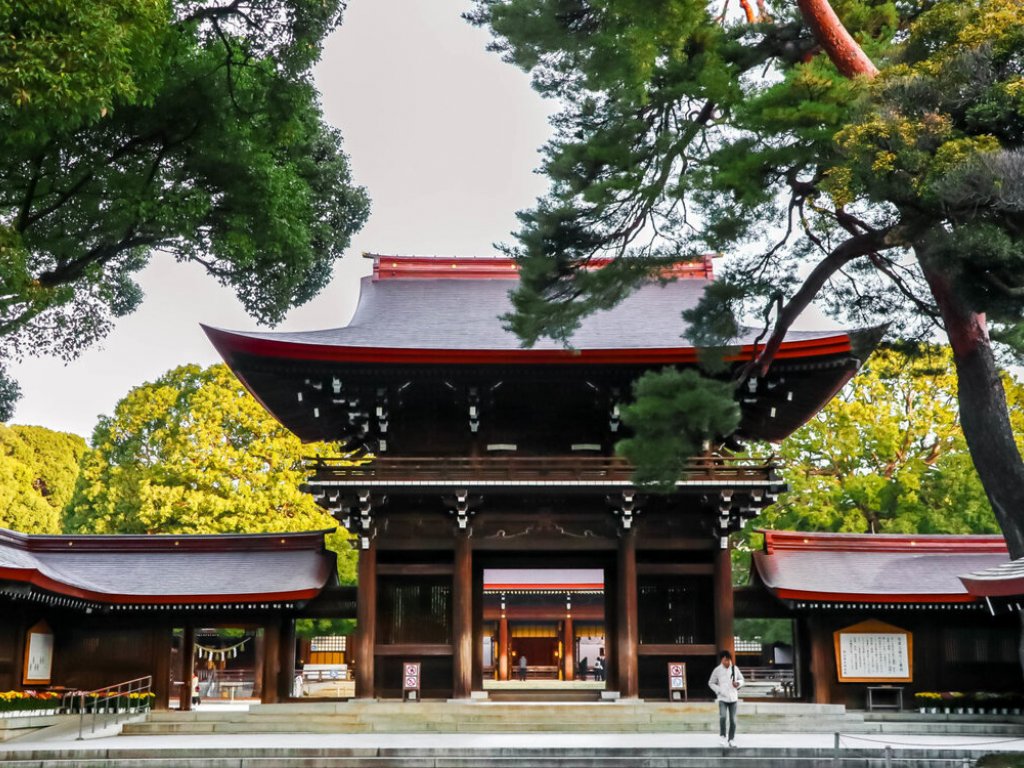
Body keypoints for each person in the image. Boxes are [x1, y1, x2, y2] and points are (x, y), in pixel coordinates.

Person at [708, 650, 744, 747]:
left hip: (733, 698)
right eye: (724, 660)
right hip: (722, 698)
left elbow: (741, 679)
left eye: (728, 660)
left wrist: (738, 684)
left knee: (733, 720)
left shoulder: (735, 669)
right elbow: (711, 682)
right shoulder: (717, 670)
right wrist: (719, 690)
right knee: (723, 717)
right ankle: (723, 736)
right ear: (721, 660)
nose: (726, 662)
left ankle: (731, 739)